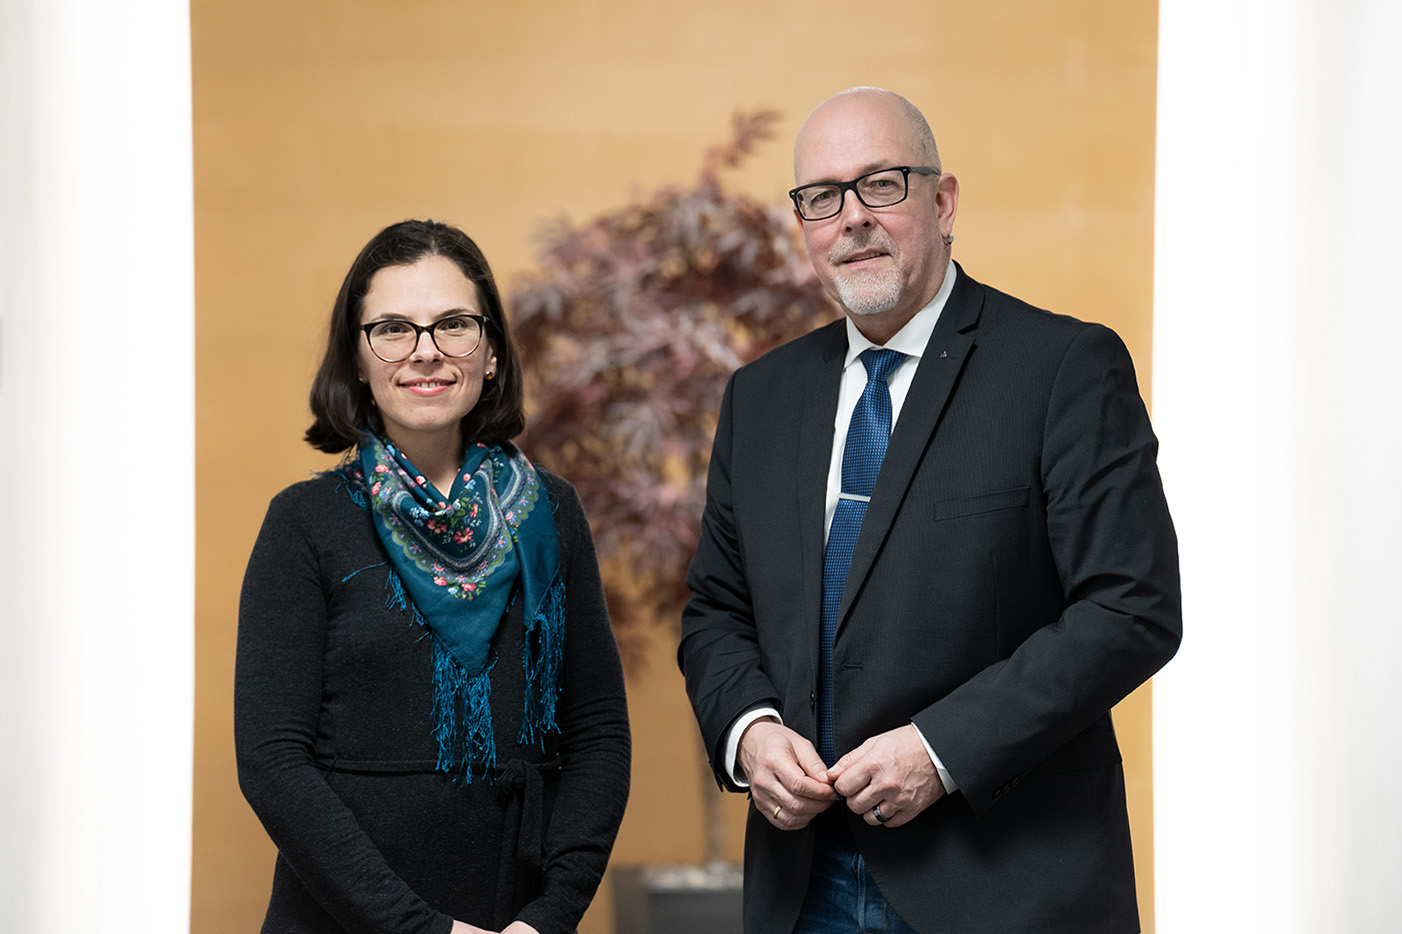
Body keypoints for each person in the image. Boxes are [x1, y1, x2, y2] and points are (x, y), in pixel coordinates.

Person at [680, 87, 1181, 934]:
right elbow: (717, 611)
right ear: (803, 223)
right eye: (823, 198)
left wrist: (943, 750)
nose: (852, 219)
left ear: (942, 202)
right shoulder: (761, 398)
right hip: (805, 885)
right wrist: (752, 733)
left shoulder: (1062, 368)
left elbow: (1131, 607)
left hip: (1003, 882)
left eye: (881, 184)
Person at [236, 219, 630, 934]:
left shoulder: (552, 513)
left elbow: (598, 733)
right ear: (356, 358)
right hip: (343, 920)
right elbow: (272, 763)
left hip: (514, 915)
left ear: (490, 353)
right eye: (392, 328)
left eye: (452, 324)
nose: (425, 353)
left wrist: (550, 916)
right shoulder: (303, 523)